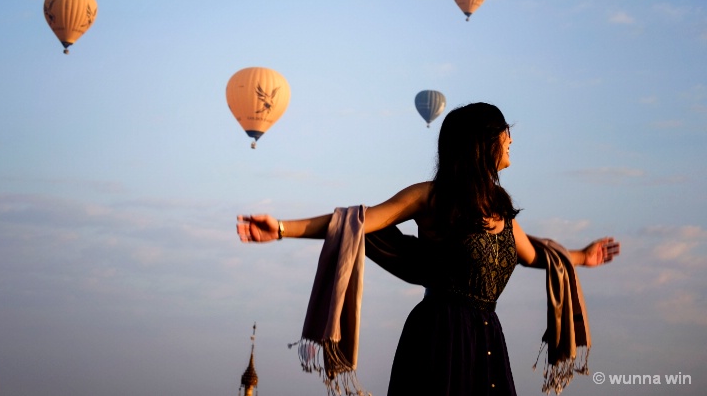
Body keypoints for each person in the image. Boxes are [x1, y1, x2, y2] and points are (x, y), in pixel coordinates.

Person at [236, 102, 620, 396]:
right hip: (439, 335)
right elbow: (358, 220)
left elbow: (536, 254)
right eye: (506, 134)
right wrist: (283, 229)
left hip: (487, 338)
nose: (512, 141)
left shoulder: (501, 208)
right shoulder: (431, 197)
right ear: (483, 142)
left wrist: (584, 257)